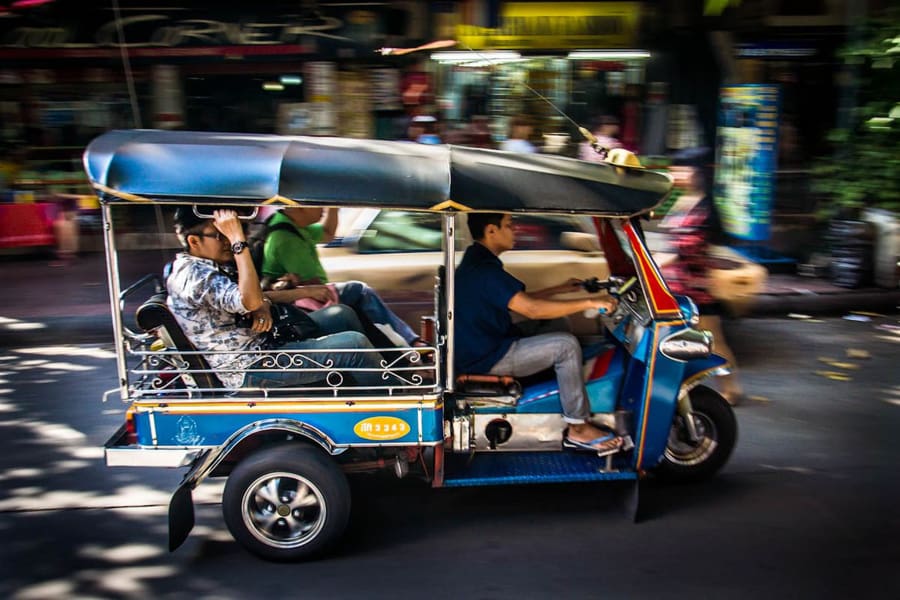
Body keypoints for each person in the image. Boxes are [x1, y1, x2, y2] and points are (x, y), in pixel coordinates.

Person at [166, 207, 395, 390]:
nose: (227, 241)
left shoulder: (209, 268)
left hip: (265, 344)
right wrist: (238, 242)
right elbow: (251, 301)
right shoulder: (195, 276)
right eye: (220, 235)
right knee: (354, 345)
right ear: (194, 242)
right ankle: (394, 411)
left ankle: (375, 383)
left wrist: (280, 299)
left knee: (342, 315)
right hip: (251, 366)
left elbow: (255, 297)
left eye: (230, 233)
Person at [454, 212, 624, 455]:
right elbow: (532, 310)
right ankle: (578, 427)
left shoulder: (479, 262)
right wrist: (590, 302)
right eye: (509, 226)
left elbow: (520, 300)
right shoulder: (484, 271)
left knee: (560, 323)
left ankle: (564, 385)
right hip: (488, 357)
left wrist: (561, 289)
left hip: (488, 343)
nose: (516, 231)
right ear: (491, 231)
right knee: (565, 345)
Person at [261, 206, 426, 349]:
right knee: (358, 293)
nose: (322, 208)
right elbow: (315, 285)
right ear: (299, 207)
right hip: (297, 306)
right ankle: (407, 346)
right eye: (317, 204)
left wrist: (333, 207)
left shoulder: (293, 225)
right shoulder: (286, 238)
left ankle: (406, 343)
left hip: (306, 296)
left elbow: (327, 234)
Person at [658, 154, 745, 405]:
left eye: (680, 170)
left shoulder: (703, 208)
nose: (675, 175)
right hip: (674, 288)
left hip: (696, 291)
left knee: (714, 343)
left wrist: (660, 261)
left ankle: (731, 388)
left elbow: (686, 248)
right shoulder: (682, 200)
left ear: (695, 173)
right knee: (674, 343)